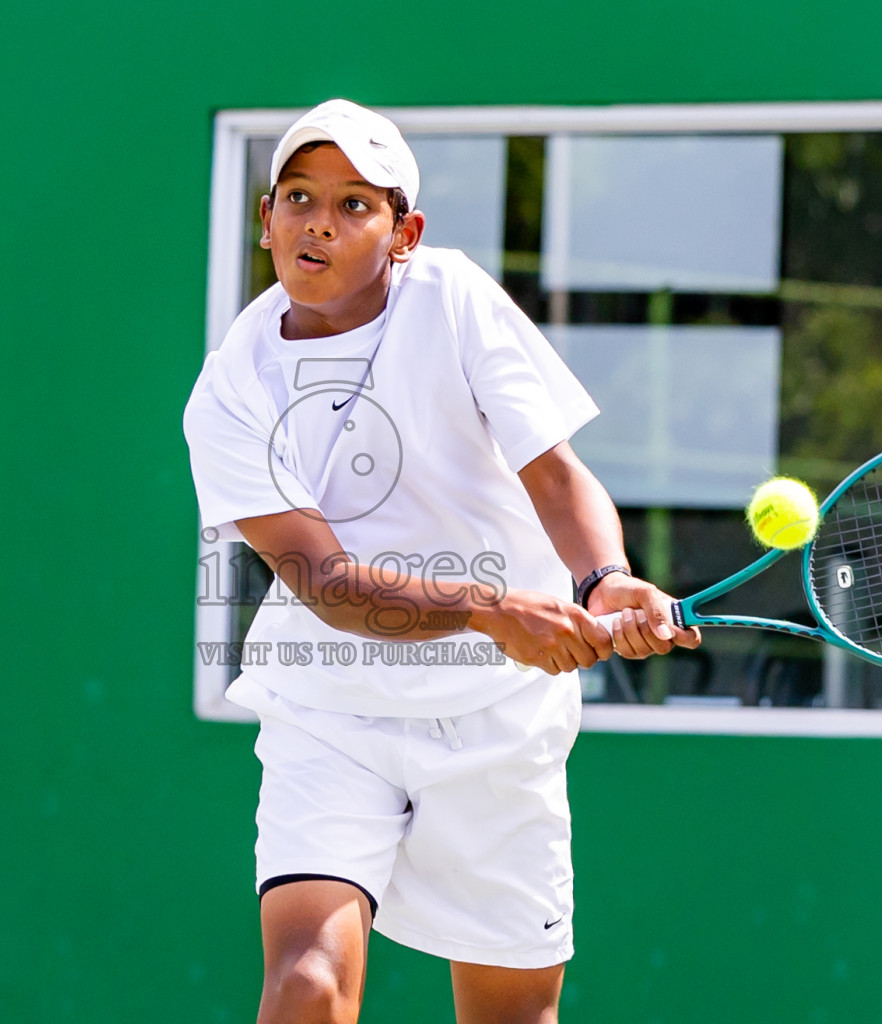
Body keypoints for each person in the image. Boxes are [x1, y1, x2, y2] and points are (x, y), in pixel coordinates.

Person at [183, 98, 701, 1024]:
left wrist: (603, 578)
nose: (319, 223)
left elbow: (554, 472)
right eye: (299, 197)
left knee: (509, 1016)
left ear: (405, 232)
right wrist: (494, 611)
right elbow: (326, 583)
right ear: (265, 221)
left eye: (354, 205)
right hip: (330, 709)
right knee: (306, 984)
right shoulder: (229, 390)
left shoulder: (454, 297)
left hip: (499, 718)